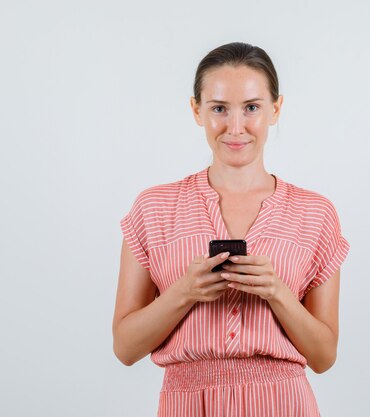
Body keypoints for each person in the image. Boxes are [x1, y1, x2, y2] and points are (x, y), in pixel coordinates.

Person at [112, 41, 350, 417]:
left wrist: (277, 293)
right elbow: (125, 347)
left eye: (252, 107)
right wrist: (184, 293)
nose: (235, 127)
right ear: (196, 110)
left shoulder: (314, 213)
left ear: (275, 109)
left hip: (284, 403)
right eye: (219, 108)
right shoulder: (154, 208)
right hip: (187, 403)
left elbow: (324, 356)